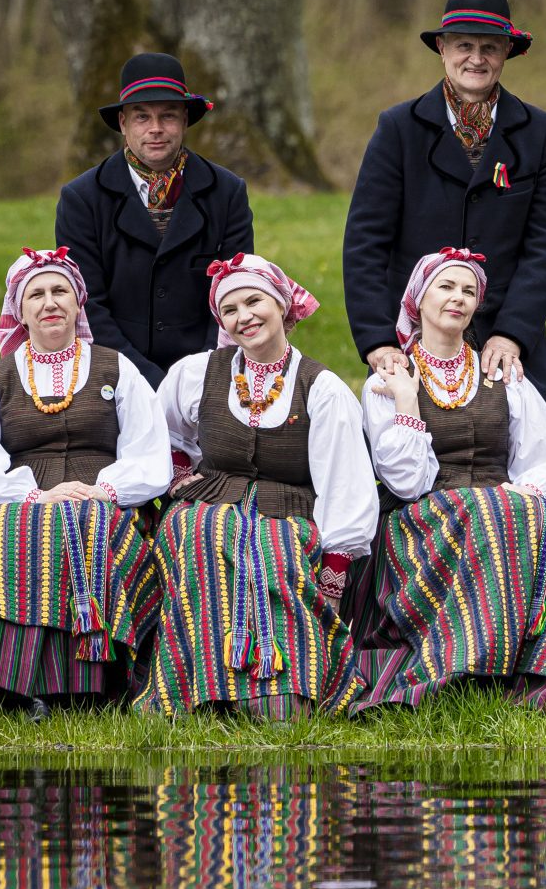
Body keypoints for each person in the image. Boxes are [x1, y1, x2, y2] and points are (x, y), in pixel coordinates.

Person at [135, 254, 376, 716]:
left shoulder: (321, 388)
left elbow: (346, 484)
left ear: (281, 305)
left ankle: (283, 694)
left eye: (254, 301)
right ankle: (198, 691)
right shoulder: (197, 372)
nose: (244, 316)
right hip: (209, 505)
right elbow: (159, 435)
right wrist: (183, 476)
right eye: (230, 309)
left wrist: (335, 567)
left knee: (275, 547)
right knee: (203, 535)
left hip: (290, 511)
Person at [353, 247, 546, 708]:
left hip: (502, 505)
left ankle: (537, 666)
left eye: (469, 290)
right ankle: (461, 664)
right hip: (421, 516)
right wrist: (406, 401)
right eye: (446, 287)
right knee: (486, 509)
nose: (457, 298)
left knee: (543, 517)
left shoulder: (501, 373)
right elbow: (407, 482)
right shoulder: (390, 378)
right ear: (418, 299)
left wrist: (524, 495)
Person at [0, 247, 172, 708]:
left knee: (95, 526)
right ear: (20, 311)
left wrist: (103, 490)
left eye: (59, 292)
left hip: (104, 499)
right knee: (20, 530)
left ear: (77, 304)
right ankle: (8, 686)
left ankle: (99, 684)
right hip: (20, 504)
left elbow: (150, 455)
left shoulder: (116, 368)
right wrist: (33, 496)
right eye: (36, 295)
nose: (49, 303)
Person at [343, 0, 546, 401]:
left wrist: (512, 334)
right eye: (464, 45)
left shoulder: (541, 134)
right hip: (415, 336)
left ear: (507, 53)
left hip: (503, 339)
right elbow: (365, 243)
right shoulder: (398, 128)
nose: (477, 58)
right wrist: (378, 340)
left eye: (490, 47)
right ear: (443, 49)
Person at [54, 54, 254, 384]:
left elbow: (235, 293)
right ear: (122, 123)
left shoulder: (227, 192)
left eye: (168, 116)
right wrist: (145, 381)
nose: (156, 129)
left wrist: (198, 376)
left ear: (186, 121)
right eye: (142, 117)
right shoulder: (82, 199)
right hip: (112, 372)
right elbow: (87, 305)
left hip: (207, 374)